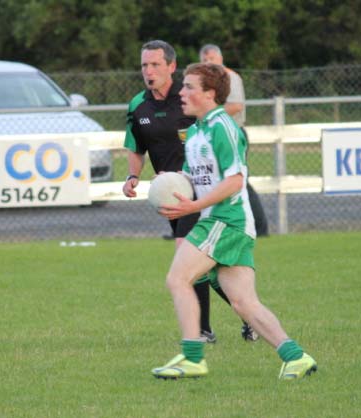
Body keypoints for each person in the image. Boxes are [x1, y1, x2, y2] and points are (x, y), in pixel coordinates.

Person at [151, 63, 317, 380]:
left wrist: (195, 206)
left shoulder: (222, 127)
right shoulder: (197, 129)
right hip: (227, 223)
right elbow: (197, 176)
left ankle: (192, 357)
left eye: (188, 87)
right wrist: (173, 180)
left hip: (225, 220)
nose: (181, 92)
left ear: (209, 93)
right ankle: (296, 357)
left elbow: (235, 181)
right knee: (243, 303)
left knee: (178, 279)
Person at [122, 40, 216, 343]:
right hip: (170, 194)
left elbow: (212, 142)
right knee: (212, 268)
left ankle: (201, 332)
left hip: (200, 191)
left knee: (185, 258)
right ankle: (246, 316)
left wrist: (184, 173)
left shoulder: (190, 98)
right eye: (144, 66)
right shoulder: (138, 105)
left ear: (171, 67)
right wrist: (132, 176)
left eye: (155, 65)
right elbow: (136, 146)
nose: (148, 71)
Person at [199, 44, 269, 239]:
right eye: (204, 60)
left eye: (211, 58)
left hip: (233, 133)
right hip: (214, 135)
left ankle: (261, 228)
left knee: (239, 180)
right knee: (210, 180)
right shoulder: (204, 83)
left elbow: (236, 106)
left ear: (221, 59)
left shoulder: (230, 77)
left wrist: (209, 113)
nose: (208, 63)